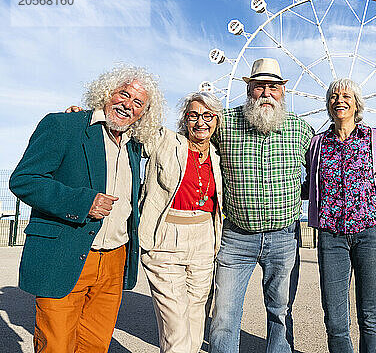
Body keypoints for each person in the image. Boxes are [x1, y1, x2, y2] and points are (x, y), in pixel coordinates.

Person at [9, 64, 163, 352]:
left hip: (114, 259)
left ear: (144, 112)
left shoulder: (133, 145)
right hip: (65, 252)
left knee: (95, 344)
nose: (127, 105)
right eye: (123, 94)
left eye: (137, 102)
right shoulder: (64, 126)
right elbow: (24, 180)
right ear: (107, 93)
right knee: (56, 344)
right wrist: (82, 202)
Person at [209, 58, 314, 353]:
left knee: (280, 312)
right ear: (248, 90)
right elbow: (187, 142)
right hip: (236, 237)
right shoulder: (224, 123)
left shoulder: (301, 130)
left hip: (284, 237)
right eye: (259, 86)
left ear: (282, 92)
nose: (267, 93)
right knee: (224, 315)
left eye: (274, 87)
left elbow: (323, 171)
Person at [304, 78, 376, 353]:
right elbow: (308, 183)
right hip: (331, 235)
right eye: (333, 96)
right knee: (334, 315)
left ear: (357, 104)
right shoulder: (318, 143)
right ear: (328, 104)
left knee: (370, 314)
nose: (339, 99)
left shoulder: (375, 138)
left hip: (371, 231)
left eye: (346, 96)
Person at [139, 92, 224, 353]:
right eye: (193, 115)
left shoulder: (219, 156)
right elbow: (134, 127)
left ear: (216, 121)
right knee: (175, 323)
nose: (200, 122)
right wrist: (85, 117)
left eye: (207, 116)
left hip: (204, 236)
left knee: (197, 315)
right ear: (184, 120)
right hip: (166, 236)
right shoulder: (165, 141)